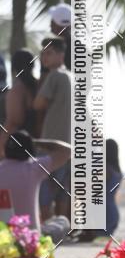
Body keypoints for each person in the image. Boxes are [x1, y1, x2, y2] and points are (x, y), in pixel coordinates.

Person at [33, 36, 72, 221]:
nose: (44, 58)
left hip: (51, 144)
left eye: (49, 53)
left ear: (61, 55)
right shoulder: (72, 77)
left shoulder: (54, 75)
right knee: (63, 192)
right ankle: (62, 229)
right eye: (43, 54)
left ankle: (46, 230)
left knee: (44, 192)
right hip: (70, 144)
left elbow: (38, 104)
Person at [0, 130, 70, 232]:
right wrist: (35, 142)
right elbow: (67, 150)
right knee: (63, 221)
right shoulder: (34, 168)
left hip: (3, 237)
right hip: (31, 239)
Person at [0, 50, 39, 157]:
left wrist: (1, 146)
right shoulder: (40, 85)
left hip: (20, 149)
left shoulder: (17, 90)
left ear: (13, 66)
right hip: (41, 143)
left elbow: (13, 122)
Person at [49, 4, 72, 71]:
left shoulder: (50, 48)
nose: (50, 25)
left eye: (52, 22)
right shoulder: (82, 48)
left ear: (58, 26)